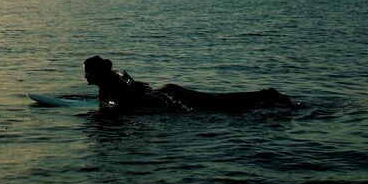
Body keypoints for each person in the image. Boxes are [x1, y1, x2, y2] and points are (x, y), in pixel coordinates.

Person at [82, 56, 293, 112]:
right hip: (167, 92)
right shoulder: (112, 79)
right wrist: (132, 83)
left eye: (86, 73)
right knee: (217, 101)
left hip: (170, 98)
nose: (84, 78)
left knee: (219, 104)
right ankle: (263, 95)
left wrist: (131, 88)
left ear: (97, 72)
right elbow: (121, 71)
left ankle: (265, 95)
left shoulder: (110, 89)